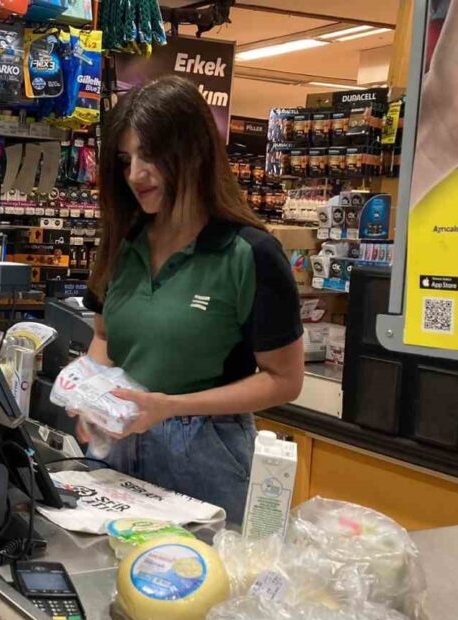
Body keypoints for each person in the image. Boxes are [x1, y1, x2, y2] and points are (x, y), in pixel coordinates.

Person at [74, 76, 305, 524]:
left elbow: (284, 380)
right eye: (126, 159)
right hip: (117, 452)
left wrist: (171, 407)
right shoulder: (124, 241)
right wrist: (92, 392)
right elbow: (103, 337)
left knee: (207, 588)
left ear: (194, 152)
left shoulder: (250, 253)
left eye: (151, 156)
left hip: (207, 456)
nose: (135, 175)